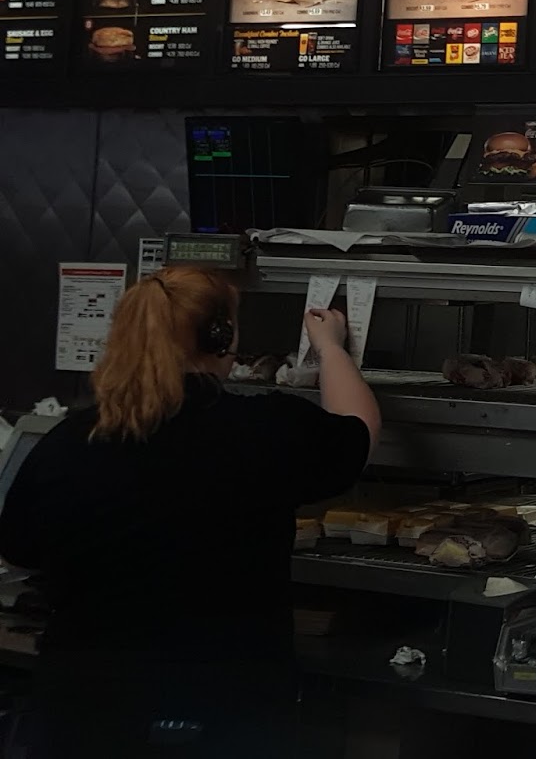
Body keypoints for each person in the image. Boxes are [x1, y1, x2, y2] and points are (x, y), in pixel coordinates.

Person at [0, 266, 378, 758]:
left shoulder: (68, 441)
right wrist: (329, 347)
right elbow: (357, 431)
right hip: (227, 709)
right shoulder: (266, 429)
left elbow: (20, 550)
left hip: (86, 709)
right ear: (220, 336)